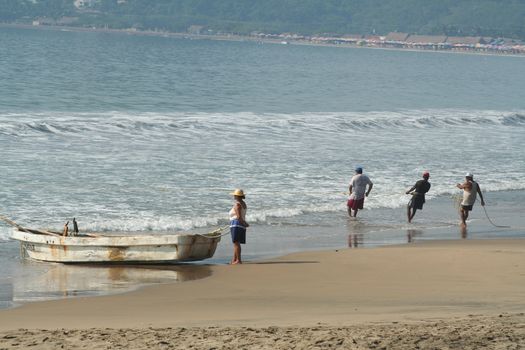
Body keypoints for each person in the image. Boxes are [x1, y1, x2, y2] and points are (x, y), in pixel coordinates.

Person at [229, 189, 249, 264]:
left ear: (237, 196)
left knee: (236, 243)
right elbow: (241, 216)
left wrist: (244, 223)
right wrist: (244, 224)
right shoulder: (243, 203)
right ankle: (234, 259)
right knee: (237, 243)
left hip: (236, 224)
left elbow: (239, 217)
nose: (233, 196)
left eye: (234, 195)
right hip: (240, 225)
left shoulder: (237, 204)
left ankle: (238, 260)